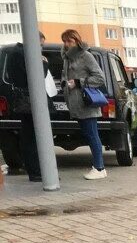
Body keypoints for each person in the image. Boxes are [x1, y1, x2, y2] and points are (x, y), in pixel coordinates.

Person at [61, 29, 107, 180]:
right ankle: (99, 167)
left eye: (70, 41)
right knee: (89, 135)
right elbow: (65, 76)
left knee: (92, 135)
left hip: (86, 102)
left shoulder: (85, 55)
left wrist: (78, 82)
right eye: (65, 41)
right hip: (75, 103)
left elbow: (100, 78)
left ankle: (99, 168)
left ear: (77, 41)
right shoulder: (67, 58)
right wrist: (64, 84)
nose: (67, 44)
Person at [4, 32, 51, 182]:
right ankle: (37, 172)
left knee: (28, 135)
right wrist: (44, 63)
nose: (41, 48)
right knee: (33, 137)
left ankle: (35, 171)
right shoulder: (25, 54)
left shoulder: (13, 53)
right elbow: (36, 76)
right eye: (40, 44)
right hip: (31, 100)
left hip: (22, 99)